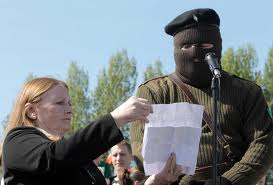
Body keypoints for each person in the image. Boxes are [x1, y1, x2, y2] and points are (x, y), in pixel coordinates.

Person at [130, 8, 273, 185]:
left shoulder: (247, 92)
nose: (195, 52)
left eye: (205, 46)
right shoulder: (155, 91)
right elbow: (140, 147)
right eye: (186, 46)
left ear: (217, 47)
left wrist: (228, 181)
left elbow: (264, 144)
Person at [1, 77, 182, 185]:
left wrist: (154, 181)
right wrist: (116, 118)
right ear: (31, 111)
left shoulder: (79, 159)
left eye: (70, 103)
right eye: (59, 103)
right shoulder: (17, 140)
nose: (70, 109)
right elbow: (57, 157)